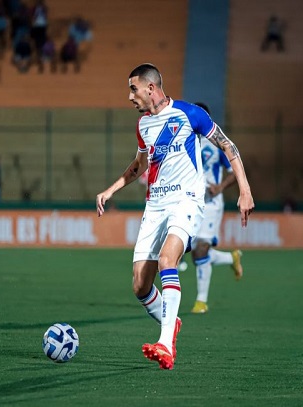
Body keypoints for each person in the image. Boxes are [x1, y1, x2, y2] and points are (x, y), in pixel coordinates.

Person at [96, 64, 254, 370]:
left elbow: (228, 146)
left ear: (151, 88)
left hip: (187, 200)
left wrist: (245, 191)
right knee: (140, 285)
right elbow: (139, 165)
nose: (130, 96)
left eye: (133, 89)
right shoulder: (143, 125)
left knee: (169, 260)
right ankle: (172, 322)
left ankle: (166, 343)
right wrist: (110, 190)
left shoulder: (190, 114)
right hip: (155, 205)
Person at [189, 102, 244, 315]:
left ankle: (201, 302)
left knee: (201, 248)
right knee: (196, 254)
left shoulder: (217, 143)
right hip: (190, 203)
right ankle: (232, 258)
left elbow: (234, 170)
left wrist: (220, 186)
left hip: (211, 203)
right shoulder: (183, 142)